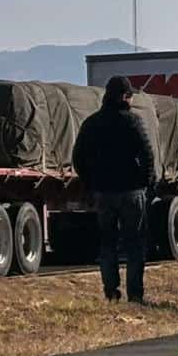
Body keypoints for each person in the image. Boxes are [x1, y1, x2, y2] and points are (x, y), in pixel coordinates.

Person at [71, 76, 157, 303]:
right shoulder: (132, 122)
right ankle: (135, 295)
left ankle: (111, 292)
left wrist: (91, 182)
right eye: (129, 96)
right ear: (123, 96)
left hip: (103, 192)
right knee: (134, 244)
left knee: (107, 243)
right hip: (131, 190)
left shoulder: (91, 123)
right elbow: (147, 155)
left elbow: (78, 158)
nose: (130, 100)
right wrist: (145, 182)